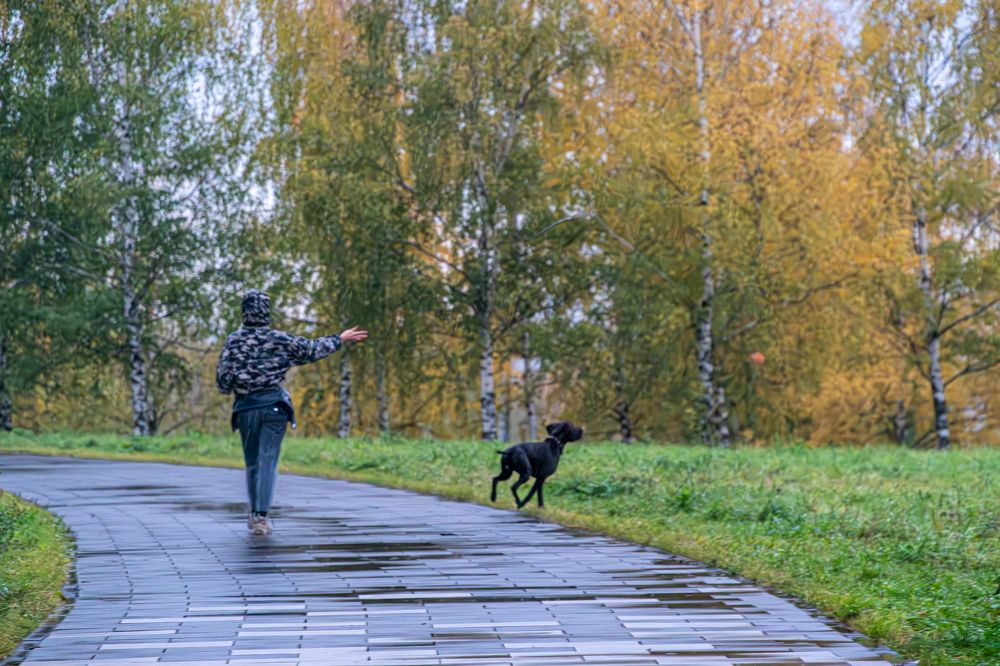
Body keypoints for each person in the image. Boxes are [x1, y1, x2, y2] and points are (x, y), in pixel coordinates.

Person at [216, 289, 368, 535]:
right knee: (268, 461)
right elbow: (310, 349)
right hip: (274, 407)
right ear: (267, 311)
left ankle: (254, 514)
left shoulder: (233, 340)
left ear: (244, 312)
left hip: (246, 409)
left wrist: (233, 386)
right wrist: (340, 338)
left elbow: (223, 379)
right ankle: (261, 518)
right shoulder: (279, 339)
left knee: (252, 462)